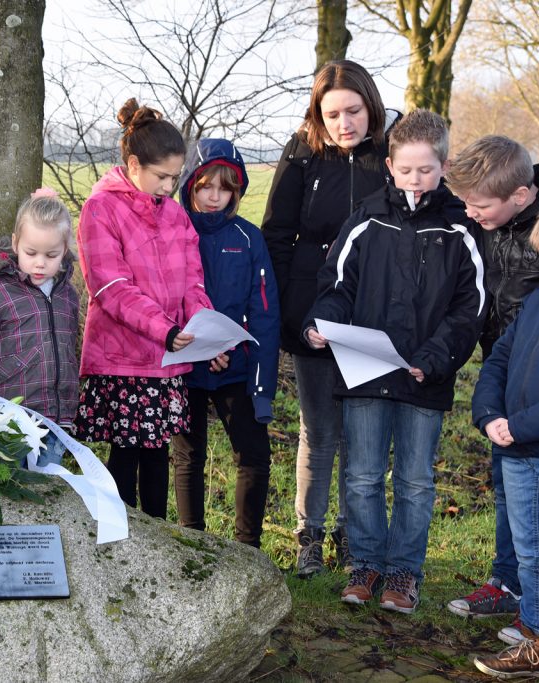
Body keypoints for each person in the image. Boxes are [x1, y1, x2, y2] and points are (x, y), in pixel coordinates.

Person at [304, 110, 486, 614]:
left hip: (426, 377)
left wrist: (434, 358)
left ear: (444, 166)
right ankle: (365, 565)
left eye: (425, 170)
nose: (414, 179)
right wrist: (321, 323)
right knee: (361, 475)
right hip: (366, 372)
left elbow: (471, 308)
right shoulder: (366, 218)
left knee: (415, 480)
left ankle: (404, 572)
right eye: (405, 170)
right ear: (389, 164)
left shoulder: (459, 228)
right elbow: (337, 285)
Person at [261, 60, 399, 577]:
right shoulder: (302, 154)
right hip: (310, 313)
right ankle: (309, 536)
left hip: (373, 315)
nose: (344, 123)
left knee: (363, 434)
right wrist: (279, 313)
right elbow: (276, 233)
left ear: (371, 105)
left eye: (354, 111)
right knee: (318, 431)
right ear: (317, 115)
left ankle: (352, 532)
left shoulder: (391, 156)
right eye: (332, 113)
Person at [445, 135, 539, 641]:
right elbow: (497, 339)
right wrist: (489, 409)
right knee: (519, 513)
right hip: (511, 404)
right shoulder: (492, 229)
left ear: (521, 197)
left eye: (480, 205)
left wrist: (517, 422)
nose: (471, 215)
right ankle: (524, 607)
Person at [74, 98, 219, 520]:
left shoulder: (176, 216)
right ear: (134, 165)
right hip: (123, 359)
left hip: (167, 355)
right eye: (161, 177)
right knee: (126, 457)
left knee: (158, 457)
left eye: (175, 177)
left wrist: (205, 331)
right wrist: (165, 329)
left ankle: (158, 547)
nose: (169, 187)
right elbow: (111, 287)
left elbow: (193, 283)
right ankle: (123, 549)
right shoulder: (101, 209)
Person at [470, 192, 539, 681]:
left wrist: (520, 425)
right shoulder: (538, 299)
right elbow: (499, 359)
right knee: (529, 554)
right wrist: (489, 413)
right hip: (516, 453)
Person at [170, 138, 280, 546]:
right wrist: (193, 345)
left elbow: (264, 313)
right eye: (205, 186)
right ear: (190, 186)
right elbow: (166, 296)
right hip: (185, 361)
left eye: (225, 188)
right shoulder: (174, 232)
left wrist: (248, 365)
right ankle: (190, 540)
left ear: (237, 191)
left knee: (252, 454)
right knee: (188, 455)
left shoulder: (249, 238)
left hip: (237, 365)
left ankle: (247, 547)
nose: (214, 196)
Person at [0, 188, 79, 467]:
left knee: (46, 496)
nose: (40, 263)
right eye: (31, 252)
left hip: (55, 426)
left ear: (65, 250)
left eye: (52, 254)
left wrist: (70, 407)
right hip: (6, 424)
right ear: (15, 242)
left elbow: (69, 354)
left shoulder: (67, 295)